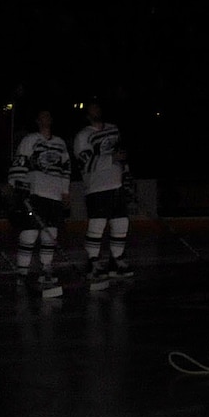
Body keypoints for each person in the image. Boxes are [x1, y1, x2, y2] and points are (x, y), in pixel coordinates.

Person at [8, 108, 72, 289]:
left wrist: (65, 191)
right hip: (35, 193)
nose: (46, 118)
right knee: (29, 233)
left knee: (50, 234)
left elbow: (66, 168)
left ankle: (46, 268)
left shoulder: (59, 143)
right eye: (42, 116)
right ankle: (22, 271)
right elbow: (19, 163)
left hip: (54, 195)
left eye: (48, 115)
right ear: (37, 121)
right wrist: (18, 187)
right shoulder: (30, 140)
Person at [72, 103, 133, 283]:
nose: (97, 110)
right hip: (97, 187)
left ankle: (116, 260)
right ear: (87, 115)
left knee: (121, 222)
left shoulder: (113, 130)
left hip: (117, 184)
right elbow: (84, 163)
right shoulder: (83, 136)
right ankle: (93, 262)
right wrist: (111, 159)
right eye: (93, 109)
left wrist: (126, 175)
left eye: (98, 107)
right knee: (97, 225)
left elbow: (122, 155)